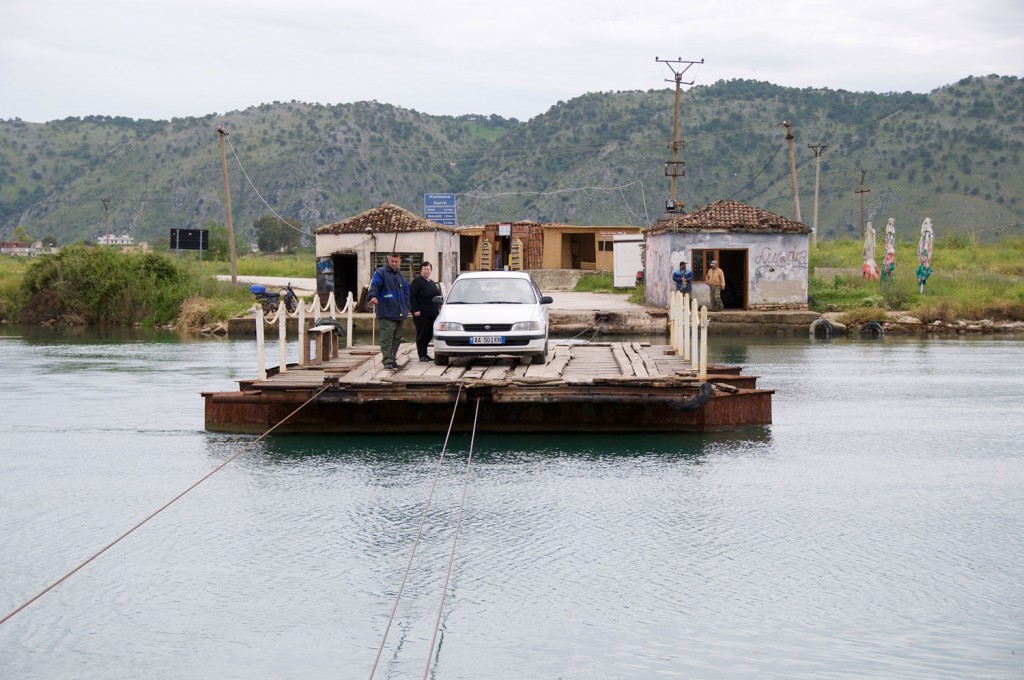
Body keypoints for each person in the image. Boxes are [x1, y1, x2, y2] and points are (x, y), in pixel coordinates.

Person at [367, 253, 410, 369]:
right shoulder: (380, 273)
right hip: (386, 312)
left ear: (399, 261)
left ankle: (392, 359)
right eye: (392, 261)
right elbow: (374, 286)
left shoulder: (400, 275)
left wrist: (406, 306)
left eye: (396, 261)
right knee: (387, 338)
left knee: (397, 338)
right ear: (388, 260)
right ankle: (387, 361)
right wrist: (372, 296)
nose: (394, 264)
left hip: (399, 313)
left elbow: (407, 292)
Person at [409, 261, 441, 362]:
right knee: (422, 334)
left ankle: (425, 353)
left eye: (428, 269)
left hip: (432, 313)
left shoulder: (431, 282)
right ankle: (421, 354)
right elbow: (412, 296)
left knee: (429, 334)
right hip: (421, 313)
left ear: (431, 270)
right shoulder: (417, 282)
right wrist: (415, 309)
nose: (426, 271)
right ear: (421, 270)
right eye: (424, 269)